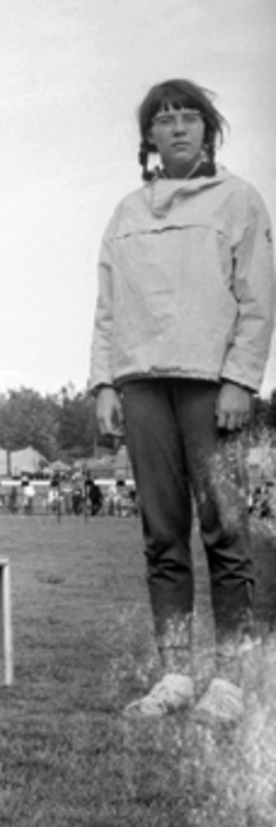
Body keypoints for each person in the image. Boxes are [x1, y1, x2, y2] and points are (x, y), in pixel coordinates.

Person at [89, 78, 275, 726]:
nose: (176, 128)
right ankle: (174, 674)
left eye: (188, 117)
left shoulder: (240, 201)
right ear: (149, 137)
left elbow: (257, 301)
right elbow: (108, 308)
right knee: (163, 535)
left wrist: (240, 380)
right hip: (141, 384)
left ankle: (232, 679)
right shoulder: (126, 213)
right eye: (163, 119)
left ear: (208, 130)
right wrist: (105, 384)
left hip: (208, 385)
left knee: (225, 531)